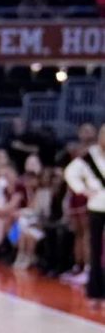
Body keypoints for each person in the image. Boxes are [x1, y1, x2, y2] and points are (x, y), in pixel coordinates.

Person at [65, 124, 105, 308]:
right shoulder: (90, 156)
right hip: (97, 207)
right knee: (95, 250)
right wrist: (83, 190)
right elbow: (70, 172)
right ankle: (95, 293)